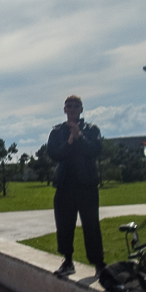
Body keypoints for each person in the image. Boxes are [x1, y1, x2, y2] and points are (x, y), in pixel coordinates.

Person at [47, 94, 106, 277]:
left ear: (81, 109)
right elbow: (54, 154)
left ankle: (98, 263)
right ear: (64, 109)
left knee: (91, 225)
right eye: (69, 106)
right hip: (65, 186)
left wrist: (78, 135)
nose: (72, 109)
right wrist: (70, 140)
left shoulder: (91, 130)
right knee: (64, 225)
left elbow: (94, 150)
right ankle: (68, 261)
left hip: (86, 185)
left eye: (76, 106)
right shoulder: (56, 132)